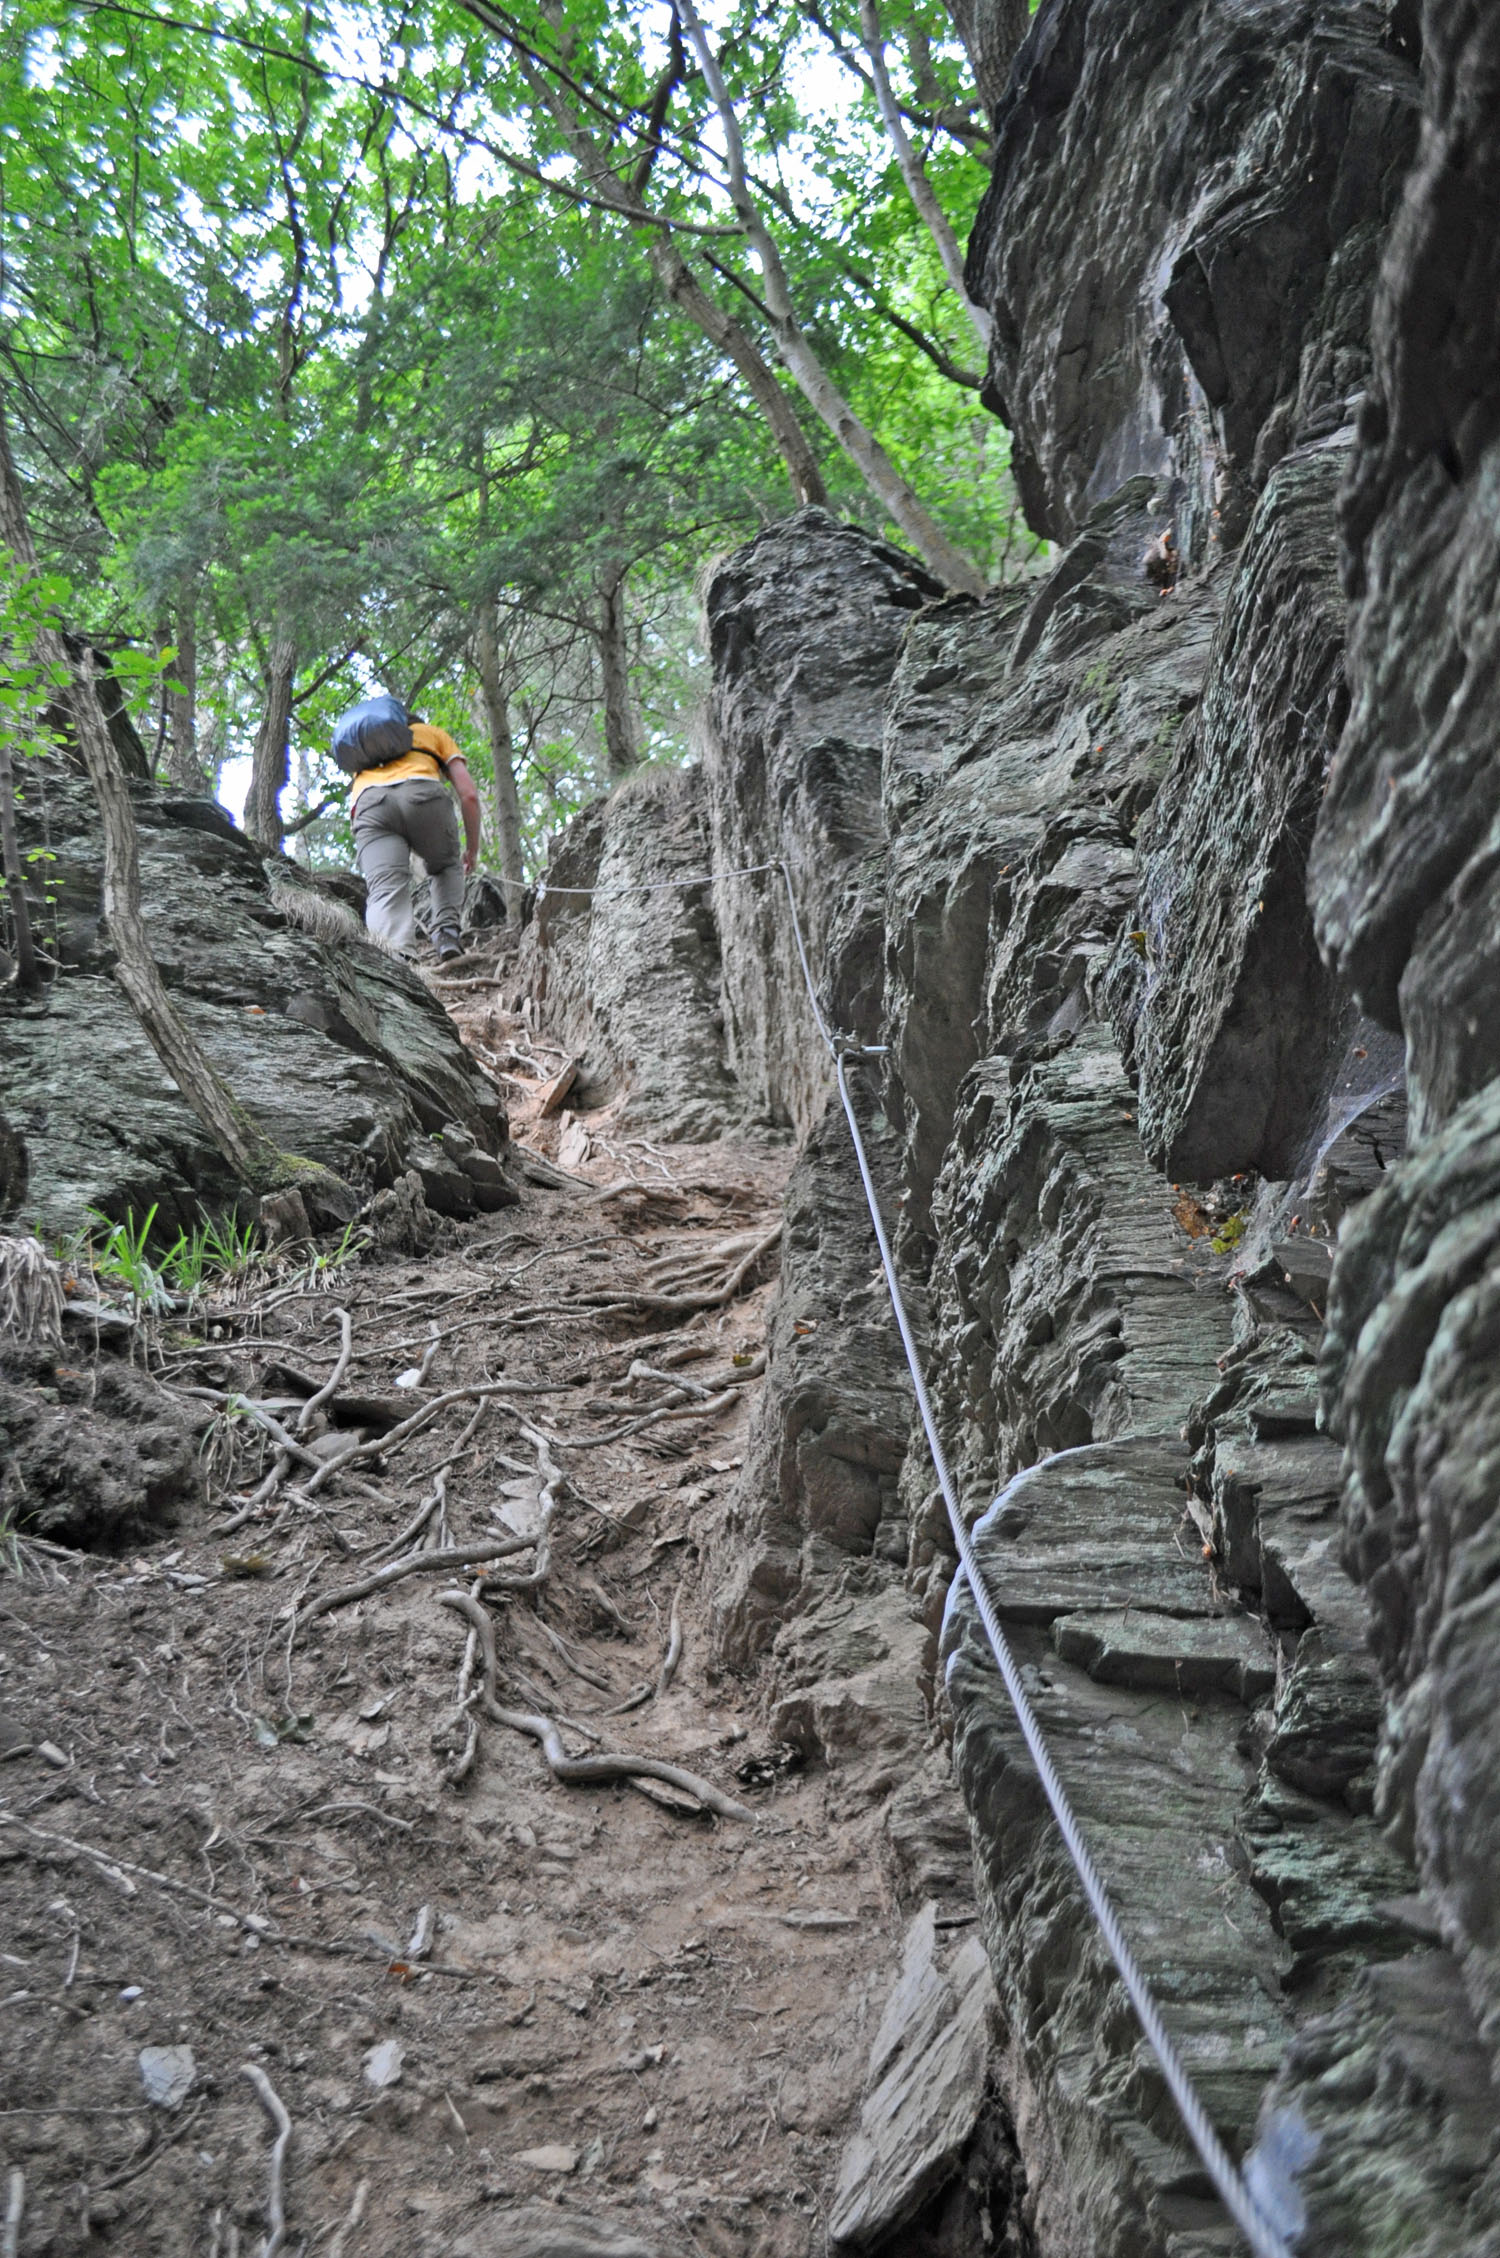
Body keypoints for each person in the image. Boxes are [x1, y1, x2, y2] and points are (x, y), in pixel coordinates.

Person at [348, 712, 482, 961]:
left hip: (369, 805)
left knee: (384, 889)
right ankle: (446, 933)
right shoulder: (432, 733)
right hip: (423, 794)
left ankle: (395, 961)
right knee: (445, 865)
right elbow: (469, 795)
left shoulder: (369, 750)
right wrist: (472, 851)